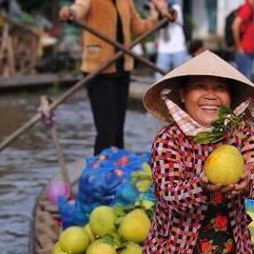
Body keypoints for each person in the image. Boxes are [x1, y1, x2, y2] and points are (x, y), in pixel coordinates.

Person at [141, 50, 254, 254]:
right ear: (184, 95)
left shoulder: (242, 135)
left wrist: (249, 182)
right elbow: (169, 194)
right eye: (201, 86)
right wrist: (202, 184)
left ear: (231, 98)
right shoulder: (168, 140)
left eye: (220, 88)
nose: (210, 96)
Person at [59, 0, 171, 155]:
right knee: (107, 129)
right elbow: (79, 8)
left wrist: (158, 19)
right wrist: (70, 13)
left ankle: (117, 167)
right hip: (99, 69)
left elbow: (138, 27)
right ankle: (102, 167)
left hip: (122, 69)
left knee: (118, 128)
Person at [155, 0, 188, 79]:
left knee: (181, 78)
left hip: (178, 48)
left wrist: (163, 10)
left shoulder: (175, 7)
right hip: (163, 49)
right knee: (159, 79)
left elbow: (173, 15)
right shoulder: (156, 10)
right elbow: (155, 24)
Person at [232, 0, 254, 79]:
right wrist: (239, 46)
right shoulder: (246, 8)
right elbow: (235, 26)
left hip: (249, 50)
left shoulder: (252, 8)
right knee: (245, 81)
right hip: (244, 51)